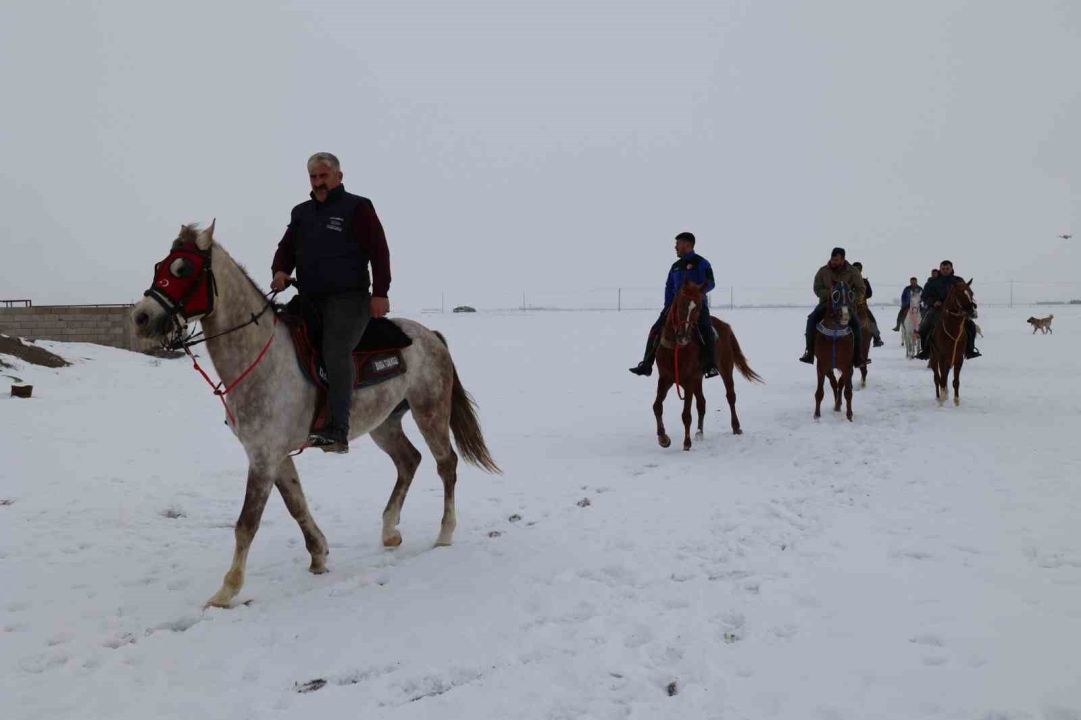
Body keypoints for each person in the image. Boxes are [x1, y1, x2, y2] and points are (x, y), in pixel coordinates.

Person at [271, 152, 391, 453]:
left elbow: (379, 251)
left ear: (339, 176)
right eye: (313, 177)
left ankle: (338, 429)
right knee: (277, 336)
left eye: (324, 176)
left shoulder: (358, 207)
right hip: (309, 298)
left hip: (349, 299)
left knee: (335, 349)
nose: (318, 182)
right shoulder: (301, 212)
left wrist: (380, 292)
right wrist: (280, 270)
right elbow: (286, 247)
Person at [629, 232, 720, 378]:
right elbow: (669, 286)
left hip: (696, 306)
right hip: (674, 307)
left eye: (678, 243)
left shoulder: (702, 263)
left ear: (687, 244)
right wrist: (668, 305)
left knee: (705, 328)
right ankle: (646, 364)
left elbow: (711, 283)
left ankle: (710, 365)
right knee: (656, 329)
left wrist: (697, 293)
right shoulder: (675, 266)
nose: (675, 247)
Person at [799, 247, 867, 366]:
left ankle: (857, 357)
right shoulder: (823, 271)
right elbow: (817, 288)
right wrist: (829, 294)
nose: (833, 262)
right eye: (832, 259)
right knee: (811, 320)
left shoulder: (853, 271)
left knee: (856, 325)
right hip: (826, 304)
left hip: (845, 307)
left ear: (843, 259)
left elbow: (861, 289)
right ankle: (809, 353)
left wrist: (850, 298)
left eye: (836, 260)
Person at [914, 260, 980, 360]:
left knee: (971, 326)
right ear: (940, 269)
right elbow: (925, 296)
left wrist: (967, 304)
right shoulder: (932, 281)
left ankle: (970, 350)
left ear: (951, 269)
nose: (945, 270)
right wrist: (934, 302)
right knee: (925, 325)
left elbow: (966, 293)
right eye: (943, 268)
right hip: (938, 309)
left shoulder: (958, 280)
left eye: (947, 268)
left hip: (956, 311)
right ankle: (925, 351)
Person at [851, 261, 884, 347]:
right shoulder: (848, 281)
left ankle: (877, 337)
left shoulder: (865, 281)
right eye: (855, 269)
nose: (857, 271)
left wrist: (862, 296)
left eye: (859, 269)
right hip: (849, 306)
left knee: (871, 319)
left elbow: (869, 294)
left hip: (862, 306)